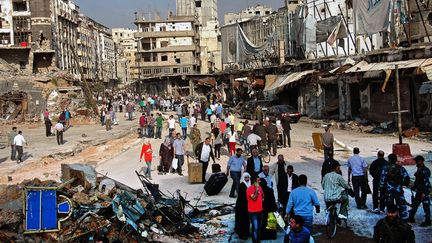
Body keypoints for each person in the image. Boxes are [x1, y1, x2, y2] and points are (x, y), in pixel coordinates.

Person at [380, 153, 410, 220]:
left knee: (389, 205)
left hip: (389, 190)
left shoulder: (385, 168)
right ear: (396, 160)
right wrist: (403, 183)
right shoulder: (400, 168)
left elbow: (382, 179)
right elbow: (407, 177)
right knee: (402, 204)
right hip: (398, 190)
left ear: (389, 160)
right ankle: (403, 218)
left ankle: (390, 217)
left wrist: (381, 188)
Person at [408, 155, 431, 226]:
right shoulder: (419, 169)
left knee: (426, 206)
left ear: (421, 161)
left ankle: (428, 221)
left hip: (424, 191)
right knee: (415, 205)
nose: (416, 163)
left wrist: (425, 193)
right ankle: (411, 218)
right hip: (419, 190)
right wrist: (414, 186)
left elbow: (426, 182)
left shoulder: (425, 170)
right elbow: (418, 180)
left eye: (417, 161)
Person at [247, 177, 264, 243]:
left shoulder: (260, 187)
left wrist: (262, 199)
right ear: (254, 181)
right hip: (253, 212)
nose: (259, 181)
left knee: (259, 227)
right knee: (255, 228)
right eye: (258, 180)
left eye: (259, 180)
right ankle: (255, 241)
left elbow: (262, 194)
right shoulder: (249, 189)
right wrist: (256, 190)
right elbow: (254, 198)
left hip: (260, 210)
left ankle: (258, 240)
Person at [235, 172, 251, 240]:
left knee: (246, 220)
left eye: (248, 177)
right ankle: (242, 234)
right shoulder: (242, 185)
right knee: (242, 220)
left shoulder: (250, 184)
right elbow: (242, 196)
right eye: (245, 177)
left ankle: (246, 233)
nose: (247, 179)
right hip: (241, 205)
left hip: (247, 205)